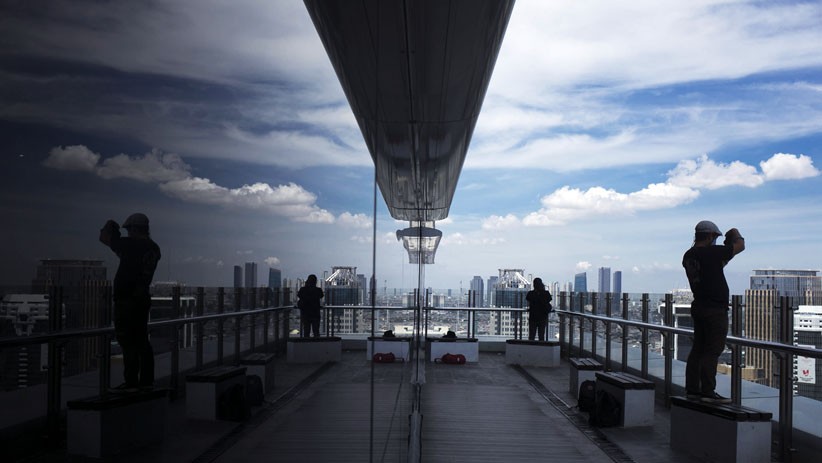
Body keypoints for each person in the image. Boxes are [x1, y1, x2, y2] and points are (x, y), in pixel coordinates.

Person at [682, 220, 745, 403]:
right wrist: (733, 232)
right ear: (710, 236)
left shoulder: (689, 255)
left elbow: (715, 266)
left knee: (698, 349)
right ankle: (708, 391)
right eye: (715, 237)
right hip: (715, 308)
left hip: (699, 306)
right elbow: (740, 246)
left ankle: (693, 389)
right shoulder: (712, 253)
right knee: (712, 350)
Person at [99, 213, 162, 391]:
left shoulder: (130, 245)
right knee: (141, 340)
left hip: (126, 300)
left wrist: (111, 225)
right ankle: (147, 380)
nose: (128, 233)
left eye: (129, 230)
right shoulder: (154, 248)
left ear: (134, 229)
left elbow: (104, 238)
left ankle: (131, 381)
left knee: (127, 341)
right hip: (142, 299)